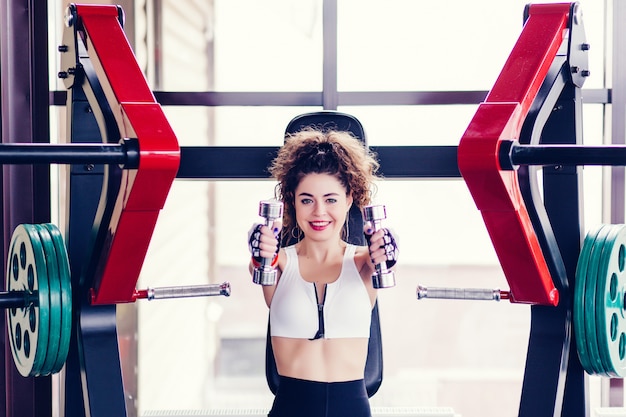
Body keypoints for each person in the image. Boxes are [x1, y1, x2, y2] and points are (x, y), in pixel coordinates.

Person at [248, 127, 398, 417]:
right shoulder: (277, 263)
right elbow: (260, 256)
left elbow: (386, 252)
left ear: (349, 199)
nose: (319, 212)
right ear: (292, 200)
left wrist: (389, 246)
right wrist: (258, 241)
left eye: (330, 199)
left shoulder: (365, 263)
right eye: (307, 200)